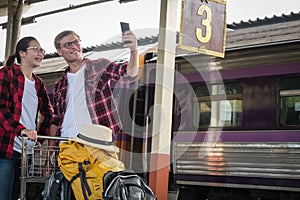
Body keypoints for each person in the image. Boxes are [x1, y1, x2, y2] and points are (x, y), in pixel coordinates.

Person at [50, 30, 138, 140]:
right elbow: (57, 119)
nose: (74, 47)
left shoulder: (99, 66)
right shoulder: (59, 85)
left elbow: (129, 75)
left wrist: (134, 51)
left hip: (96, 142)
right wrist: (51, 150)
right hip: (66, 142)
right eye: (68, 45)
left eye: (76, 42)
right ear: (59, 51)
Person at [0, 36, 53, 200]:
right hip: (6, 148)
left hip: (26, 151)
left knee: (18, 195)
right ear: (22, 53)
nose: (40, 53)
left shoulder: (39, 83)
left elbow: (49, 113)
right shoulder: (6, 74)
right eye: (35, 49)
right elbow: (1, 108)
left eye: (42, 50)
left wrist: (39, 139)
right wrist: (21, 130)